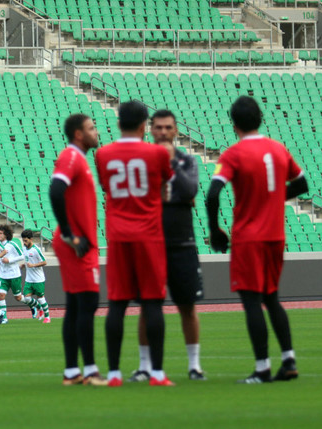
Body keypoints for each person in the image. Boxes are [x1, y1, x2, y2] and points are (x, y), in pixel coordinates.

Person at [206, 96, 307, 384]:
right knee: (272, 297)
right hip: (275, 236)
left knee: (251, 300)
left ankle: (262, 367)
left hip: (249, 238)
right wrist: (274, 201)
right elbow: (302, 184)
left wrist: (215, 230)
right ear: (261, 118)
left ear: (234, 124)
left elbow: (213, 193)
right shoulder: (278, 149)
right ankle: (288, 360)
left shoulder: (233, 154)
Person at [95, 101, 174, 387]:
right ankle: (157, 373)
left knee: (116, 304)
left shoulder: (103, 154)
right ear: (144, 126)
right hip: (149, 235)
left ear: (119, 124)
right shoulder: (156, 153)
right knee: (152, 303)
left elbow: (106, 186)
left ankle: (114, 373)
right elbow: (166, 183)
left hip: (118, 236)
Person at [129, 110, 206, 382]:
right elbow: (139, 195)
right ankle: (144, 366)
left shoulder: (187, 159)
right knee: (148, 306)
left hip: (182, 242)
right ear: (150, 130)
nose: (162, 132)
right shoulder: (140, 160)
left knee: (187, 306)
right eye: (158, 127)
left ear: (175, 131)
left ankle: (194, 365)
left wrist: (170, 165)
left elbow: (190, 190)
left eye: (167, 127)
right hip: (149, 242)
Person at [49, 113, 105, 386]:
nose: (97, 132)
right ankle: (90, 371)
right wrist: (71, 235)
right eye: (92, 128)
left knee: (76, 306)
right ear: (79, 134)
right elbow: (55, 191)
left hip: (79, 241)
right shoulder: (71, 157)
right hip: (77, 244)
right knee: (87, 303)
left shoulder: (80, 159)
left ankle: (72, 371)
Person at [0, 224, 25, 324]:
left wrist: (10, 260)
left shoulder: (12, 244)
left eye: (1, 233)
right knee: (1, 295)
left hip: (14, 275)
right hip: (3, 275)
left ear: (6, 234)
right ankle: (4, 318)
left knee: (18, 298)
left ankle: (34, 305)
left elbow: (22, 256)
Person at [20, 229, 50, 324]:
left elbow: (44, 262)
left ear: (31, 239)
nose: (24, 242)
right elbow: (27, 259)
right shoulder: (24, 248)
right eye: (23, 240)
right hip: (29, 279)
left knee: (41, 298)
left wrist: (33, 265)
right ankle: (39, 308)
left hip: (38, 279)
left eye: (26, 240)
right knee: (27, 298)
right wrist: (23, 265)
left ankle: (47, 317)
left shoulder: (36, 249)